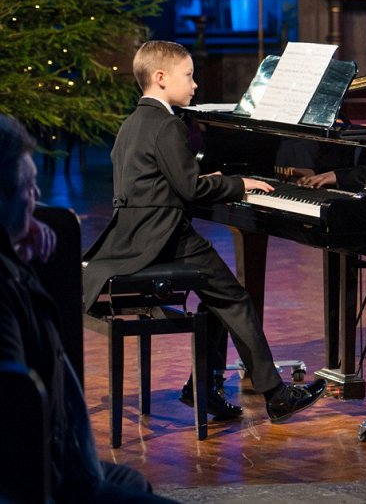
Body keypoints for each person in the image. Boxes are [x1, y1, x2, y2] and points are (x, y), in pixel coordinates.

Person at [81, 41, 327, 424]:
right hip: (164, 237)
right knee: (236, 297)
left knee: (217, 296)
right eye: (188, 75)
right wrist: (239, 184)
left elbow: (160, 180)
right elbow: (191, 189)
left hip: (132, 236)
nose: (195, 85)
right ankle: (277, 396)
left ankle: (203, 388)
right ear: (161, 78)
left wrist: (203, 178)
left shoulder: (133, 123)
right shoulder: (168, 125)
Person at [0, 114, 176, 502]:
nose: (36, 201)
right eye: (29, 190)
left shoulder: (14, 255)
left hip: (67, 460)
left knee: (133, 482)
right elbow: (15, 411)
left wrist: (16, 234)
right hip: (49, 480)